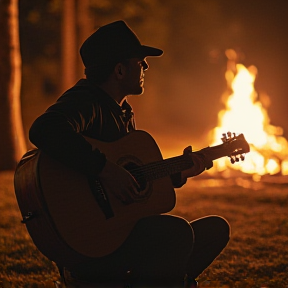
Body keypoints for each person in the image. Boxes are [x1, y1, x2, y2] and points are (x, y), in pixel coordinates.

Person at [29, 20, 230, 288]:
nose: (146, 66)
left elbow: (129, 186)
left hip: (116, 235)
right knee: (176, 233)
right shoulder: (87, 100)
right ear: (120, 70)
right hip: (91, 247)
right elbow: (44, 129)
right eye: (140, 61)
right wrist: (106, 169)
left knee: (215, 229)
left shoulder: (123, 112)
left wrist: (176, 174)